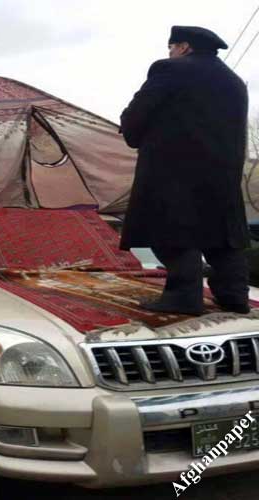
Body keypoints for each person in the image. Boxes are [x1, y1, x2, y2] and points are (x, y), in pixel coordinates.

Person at [119, 26, 250, 315]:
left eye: (171, 48)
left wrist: (130, 127)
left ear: (184, 47)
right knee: (222, 237)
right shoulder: (235, 81)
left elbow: (139, 113)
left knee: (171, 231)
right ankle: (234, 296)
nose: (169, 53)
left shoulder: (169, 70)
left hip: (173, 170)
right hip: (224, 175)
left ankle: (183, 298)